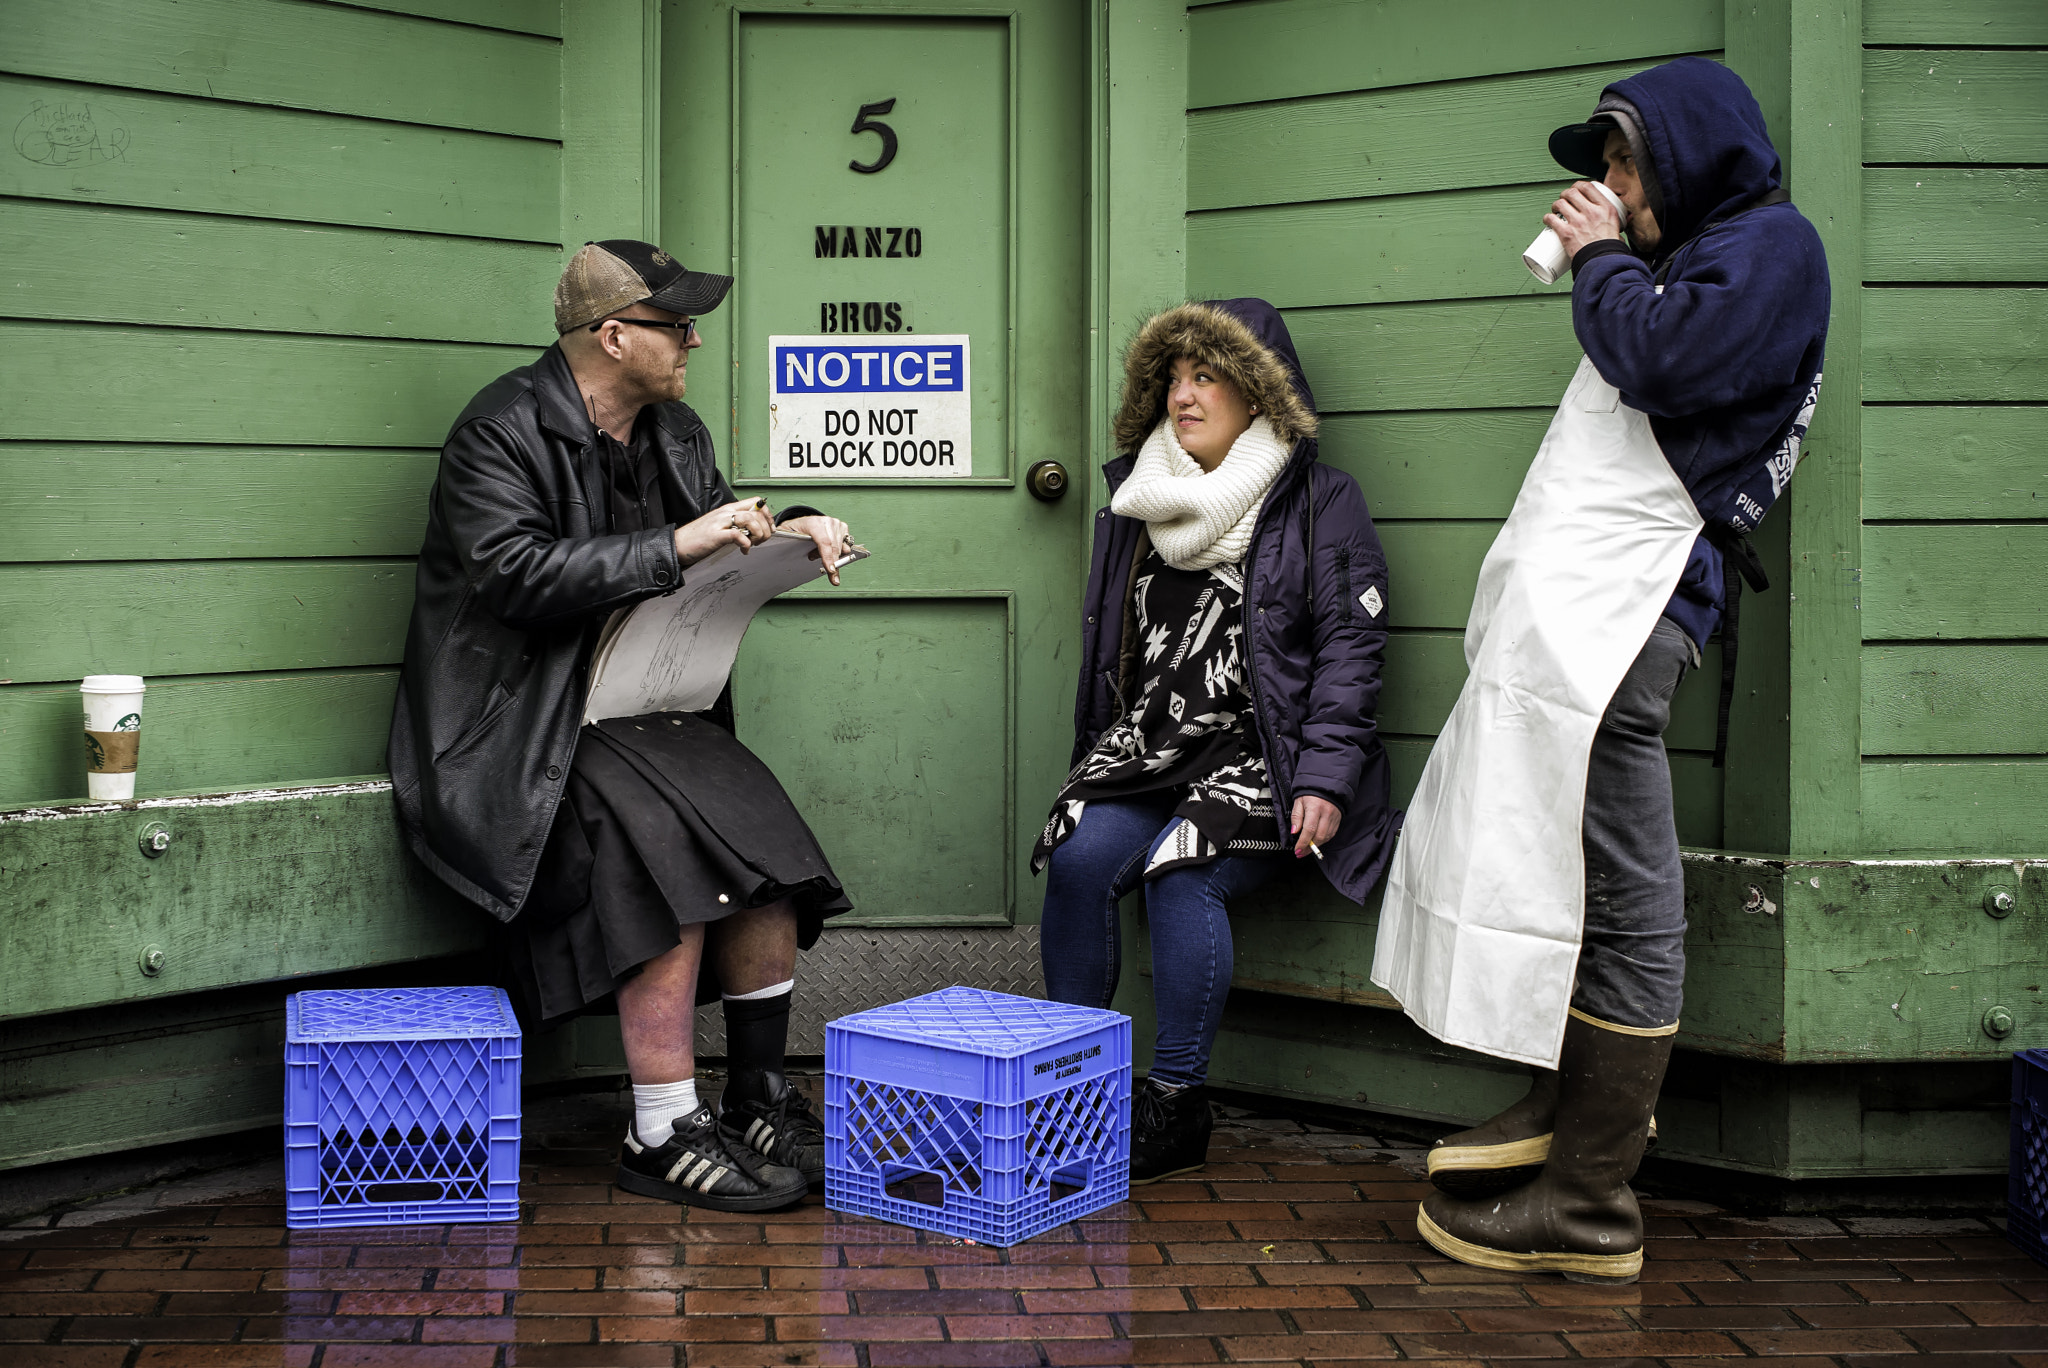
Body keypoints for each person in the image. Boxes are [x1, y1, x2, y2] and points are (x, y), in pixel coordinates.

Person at [1373, 59, 1829, 1282]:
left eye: (1619, 163)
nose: (1604, 188)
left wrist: (1596, 257)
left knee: (1625, 901)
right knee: (1550, 875)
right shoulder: (1695, 250)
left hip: (1623, 629)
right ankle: (1559, 1116)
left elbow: (1663, 362)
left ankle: (1587, 1203)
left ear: (1679, 158)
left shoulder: (1772, 250)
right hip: (1578, 628)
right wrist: (1611, 253)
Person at [388, 240, 861, 1212]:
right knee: (660, 857)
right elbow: (514, 575)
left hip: (642, 711)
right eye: (674, 323)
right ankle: (662, 1129)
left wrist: (796, 527)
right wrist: (672, 544)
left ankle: (758, 1099)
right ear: (612, 335)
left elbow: (717, 530)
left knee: (759, 838)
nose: (693, 338)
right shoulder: (498, 430)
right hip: (520, 730)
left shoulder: (670, 429)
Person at [1040, 298, 1401, 1184]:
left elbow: (1351, 652)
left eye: (1207, 377)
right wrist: (1101, 762)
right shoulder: (1138, 502)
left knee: (1181, 869)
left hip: (1266, 760)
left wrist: (1326, 777)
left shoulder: (1321, 502)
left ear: (1259, 396)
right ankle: (1070, 1089)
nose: (1183, 396)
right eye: (1174, 376)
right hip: (1159, 750)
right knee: (1081, 857)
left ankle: (1175, 1102)